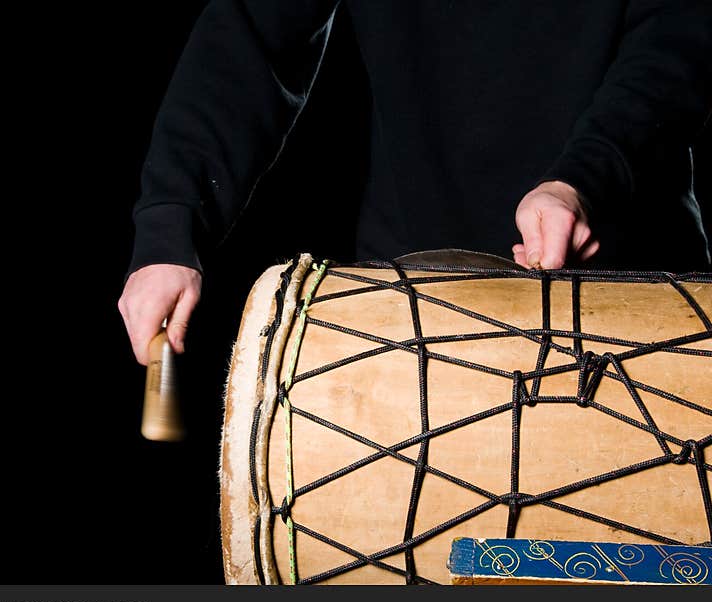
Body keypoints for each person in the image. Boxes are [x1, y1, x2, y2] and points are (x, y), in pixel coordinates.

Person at [120, 1, 712, 364]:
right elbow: (247, 37)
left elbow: (678, 35)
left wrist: (585, 180)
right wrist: (171, 227)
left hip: (637, 300)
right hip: (413, 309)